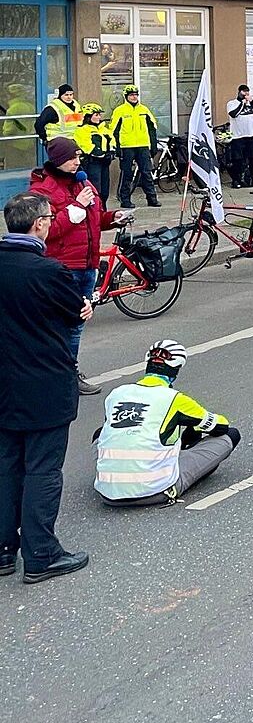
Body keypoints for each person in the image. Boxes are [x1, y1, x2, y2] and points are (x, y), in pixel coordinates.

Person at [0, 191, 91, 584]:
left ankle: (4, 550)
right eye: (50, 217)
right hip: (44, 385)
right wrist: (83, 307)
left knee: (6, 466)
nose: (52, 222)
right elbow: (73, 314)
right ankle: (41, 553)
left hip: (4, 386)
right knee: (42, 469)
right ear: (38, 224)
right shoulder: (49, 271)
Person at [28, 135, 129, 395]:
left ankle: (66, 373)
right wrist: (76, 205)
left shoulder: (84, 184)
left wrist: (112, 218)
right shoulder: (41, 192)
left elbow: (92, 219)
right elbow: (47, 232)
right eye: (72, 158)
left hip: (88, 264)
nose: (77, 161)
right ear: (58, 160)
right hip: (62, 268)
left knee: (76, 324)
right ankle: (63, 375)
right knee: (62, 326)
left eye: (78, 156)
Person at [93, 341, 239, 506]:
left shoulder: (116, 394)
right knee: (230, 435)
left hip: (106, 493)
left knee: (101, 433)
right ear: (176, 370)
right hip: (155, 492)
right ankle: (174, 478)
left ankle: (115, 477)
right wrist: (194, 428)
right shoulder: (175, 399)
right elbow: (220, 426)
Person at [110, 84, 161, 208]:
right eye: (131, 95)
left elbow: (152, 128)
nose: (134, 97)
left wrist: (153, 146)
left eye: (135, 95)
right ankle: (125, 199)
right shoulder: (120, 111)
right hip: (126, 147)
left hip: (143, 145)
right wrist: (117, 148)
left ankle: (152, 198)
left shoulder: (144, 109)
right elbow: (113, 131)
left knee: (146, 173)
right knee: (127, 173)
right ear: (126, 96)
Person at [73, 104, 115, 205]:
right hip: (92, 163)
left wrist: (111, 152)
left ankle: (103, 212)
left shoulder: (103, 129)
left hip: (104, 163)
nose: (99, 117)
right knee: (95, 190)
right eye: (96, 115)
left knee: (105, 191)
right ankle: (95, 213)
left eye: (99, 115)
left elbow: (112, 141)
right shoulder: (81, 130)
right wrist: (101, 154)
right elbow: (87, 147)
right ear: (88, 116)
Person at [225, 84, 253, 187]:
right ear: (239, 92)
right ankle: (237, 180)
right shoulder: (232, 103)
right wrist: (242, 104)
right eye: (243, 92)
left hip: (251, 134)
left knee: (252, 158)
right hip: (238, 136)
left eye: (247, 92)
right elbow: (234, 114)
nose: (246, 94)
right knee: (237, 159)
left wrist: (252, 102)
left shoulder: (250, 104)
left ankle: (252, 177)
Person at [34, 83, 80, 149]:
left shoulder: (76, 106)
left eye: (71, 94)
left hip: (74, 141)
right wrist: (45, 139)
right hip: (57, 143)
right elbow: (39, 124)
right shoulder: (52, 108)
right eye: (66, 95)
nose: (69, 97)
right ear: (60, 95)